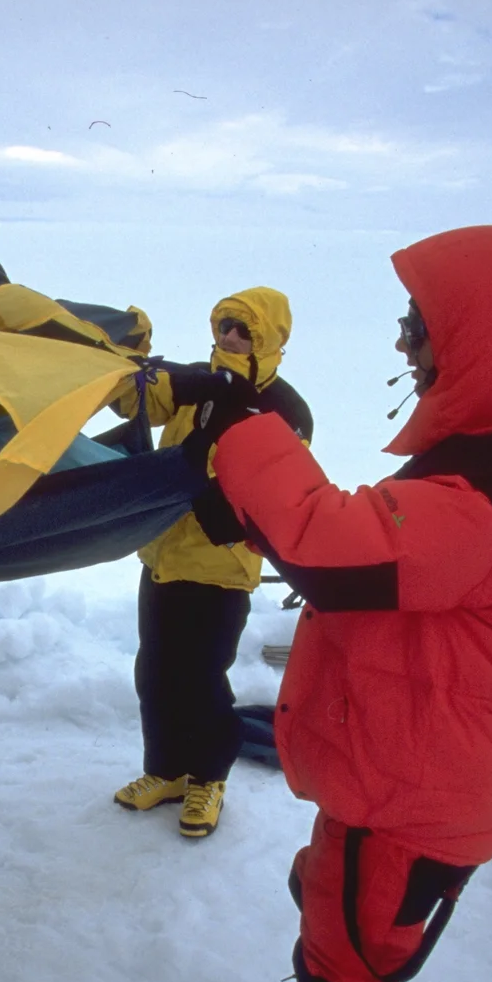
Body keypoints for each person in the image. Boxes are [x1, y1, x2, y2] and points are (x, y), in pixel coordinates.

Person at [187, 226, 492, 982]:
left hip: (418, 787)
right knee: (332, 911)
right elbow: (374, 552)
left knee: (353, 954)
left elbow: (336, 548)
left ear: (482, 334)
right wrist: (254, 498)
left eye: (420, 323)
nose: (404, 341)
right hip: (396, 768)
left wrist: (247, 431)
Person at [109, 288, 313, 838]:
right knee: (155, 673)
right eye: (225, 325)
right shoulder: (196, 381)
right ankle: (166, 770)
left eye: (245, 330)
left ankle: (207, 779)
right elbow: (137, 399)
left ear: (270, 339)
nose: (231, 337)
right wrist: (123, 351)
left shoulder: (286, 409)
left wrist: (205, 478)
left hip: (221, 570)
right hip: (163, 557)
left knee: (201, 680)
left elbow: (281, 494)